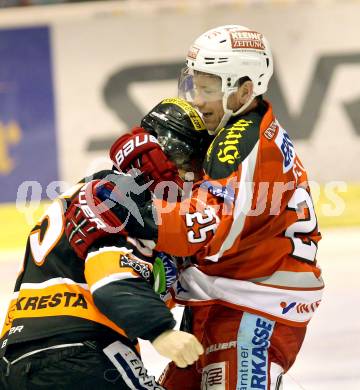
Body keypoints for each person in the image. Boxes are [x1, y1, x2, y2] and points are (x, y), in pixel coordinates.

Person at [79, 25, 324, 389]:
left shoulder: (240, 145)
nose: (197, 99)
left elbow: (207, 230)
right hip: (223, 295)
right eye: (194, 84)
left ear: (244, 89)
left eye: (210, 88)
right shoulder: (236, 127)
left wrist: (139, 211)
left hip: (255, 307)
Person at [0, 98, 209, 389]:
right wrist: (161, 332)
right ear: (167, 156)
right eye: (190, 164)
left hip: (13, 357)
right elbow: (110, 278)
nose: (193, 177)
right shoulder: (124, 194)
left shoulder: (94, 188)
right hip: (79, 348)